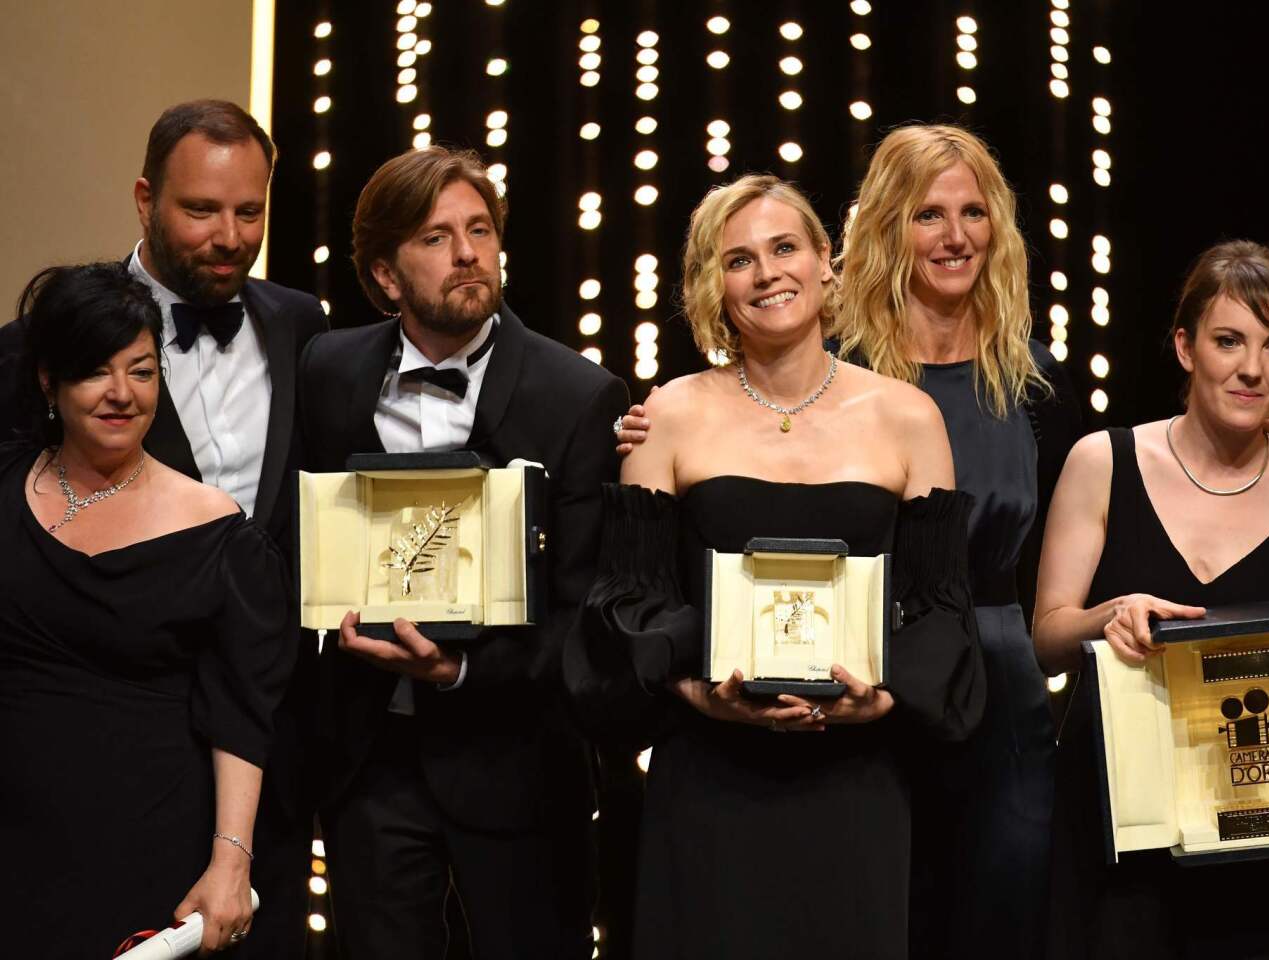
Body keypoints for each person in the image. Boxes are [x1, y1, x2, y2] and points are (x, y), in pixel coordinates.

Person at [567, 174, 985, 959]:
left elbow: (941, 609)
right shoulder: (667, 415)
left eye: (785, 247)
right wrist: (702, 694)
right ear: (712, 287)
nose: (767, 273)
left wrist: (882, 704)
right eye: (738, 260)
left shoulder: (908, 415)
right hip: (710, 775)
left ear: (827, 263)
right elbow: (628, 607)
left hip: (857, 779)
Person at [0, 99, 326, 960]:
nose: (228, 235)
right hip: (56, 770)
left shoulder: (307, 328)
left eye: (249, 212)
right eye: (200, 210)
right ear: (145, 198)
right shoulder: (31, 348)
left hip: (262, 758)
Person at [299, 145, 629, 959]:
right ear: (384, 276)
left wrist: (461, 672)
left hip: (516, 761)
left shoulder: (580, 395)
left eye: (480, 229)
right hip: (369, 765)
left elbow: (586, 602)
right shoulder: (328, 369)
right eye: (438, 237)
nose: (469, 253)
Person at [1033, 240, 1269, 959]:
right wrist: (1110, 616)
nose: (1251, 368)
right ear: (1185, 347)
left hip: (1251, 833)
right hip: (1119, 829)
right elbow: (1048, 635)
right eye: (1228, 341)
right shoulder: (1104, 462)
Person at [833, 122, 1079, 958]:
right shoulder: (836, 373)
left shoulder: (1035, 381)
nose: (955, 236)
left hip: (1002, 691)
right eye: (928, 214)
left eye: (973, 212)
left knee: (1002, 923)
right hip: (866, 680)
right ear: (888, 228)